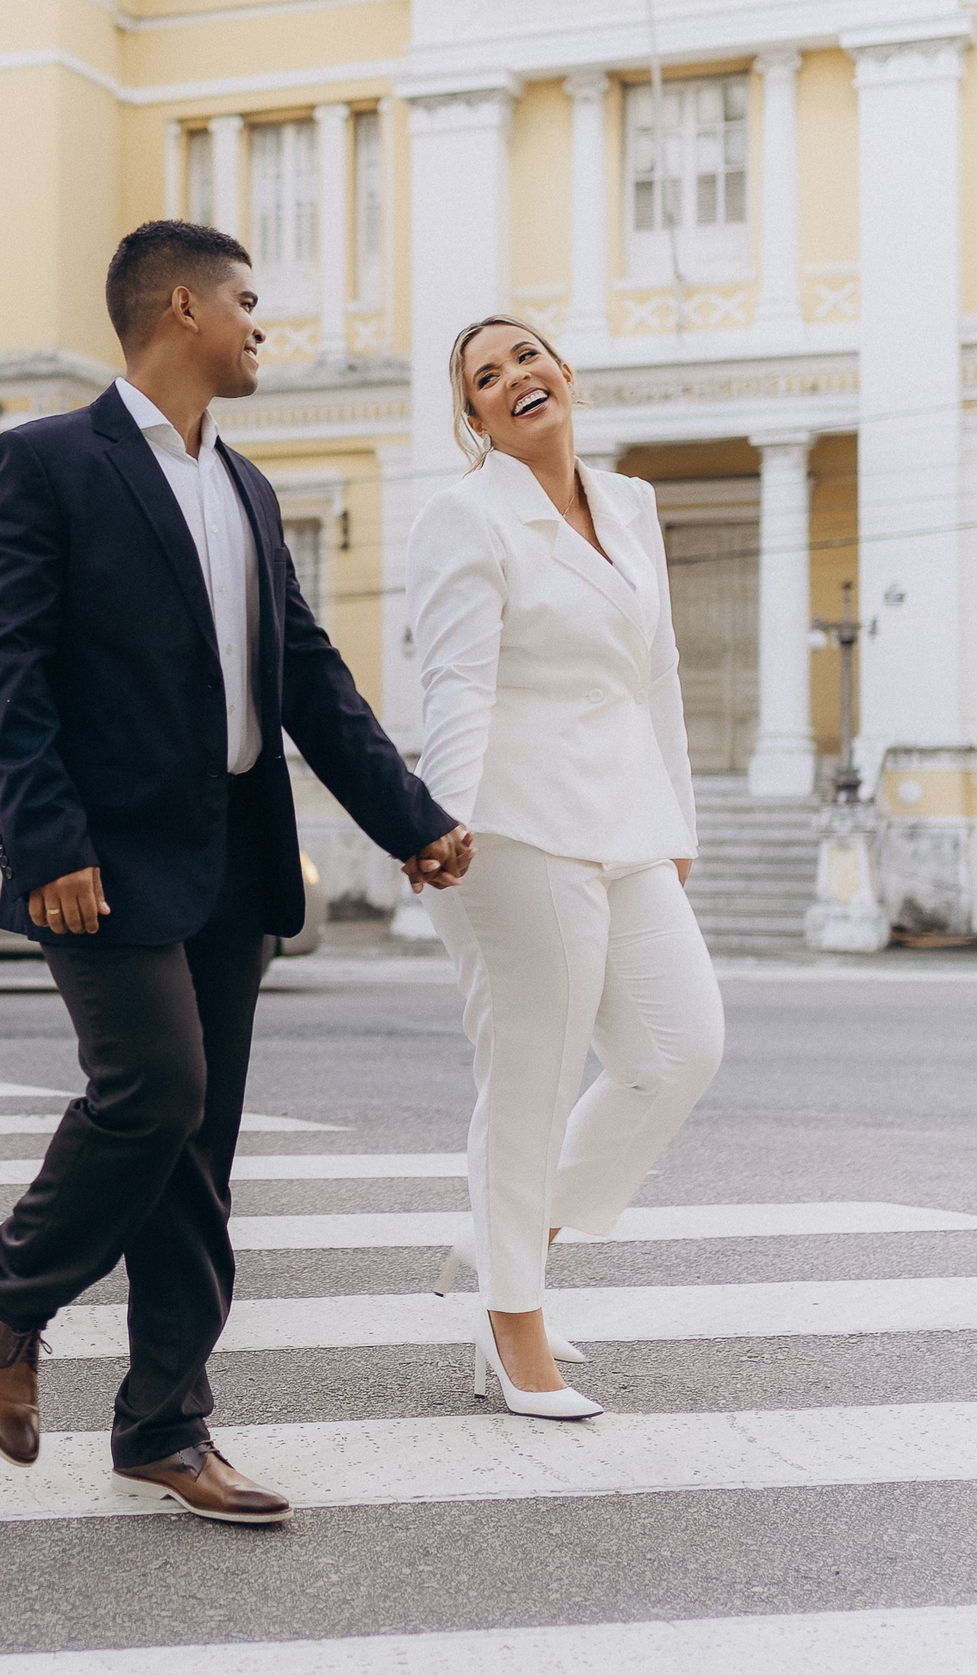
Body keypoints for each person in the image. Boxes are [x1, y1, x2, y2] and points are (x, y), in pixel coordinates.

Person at [0, 219, 471, 1525]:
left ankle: (165, 1428)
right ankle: (10, 1295)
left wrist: (409, 817)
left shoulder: (245, 487)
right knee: (152, 1092)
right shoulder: (46, 464)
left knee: (198, 1151)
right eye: (249, 302)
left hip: (231, 865)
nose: (263, 326)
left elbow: (306, 678)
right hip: (102, 859)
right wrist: (48, 837)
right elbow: (9, 672)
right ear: (180, 308)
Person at [406, 314, 724, 1420]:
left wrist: (676, 818)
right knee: (531, 1075)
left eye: (525, 357)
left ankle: (509, 1241)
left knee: (679, 1048)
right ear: (476, 419)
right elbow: (457, 685)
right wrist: (438, 824)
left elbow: (660, 677)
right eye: (485, 378)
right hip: (511, 823)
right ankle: (512, 1325)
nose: (514, 378)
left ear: (563, 372)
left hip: (626, 818)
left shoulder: (628, 506)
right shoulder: (465, 519)